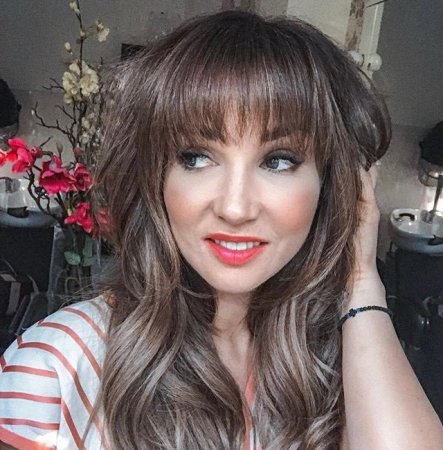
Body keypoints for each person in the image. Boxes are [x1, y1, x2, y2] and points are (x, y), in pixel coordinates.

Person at [0, 10, 442, 450]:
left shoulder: (344, 365)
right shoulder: (52, 372)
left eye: (278, 160)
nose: (234, 207)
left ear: (330, 185)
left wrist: (361, 281)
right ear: (155, 177)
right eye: (195, 157)